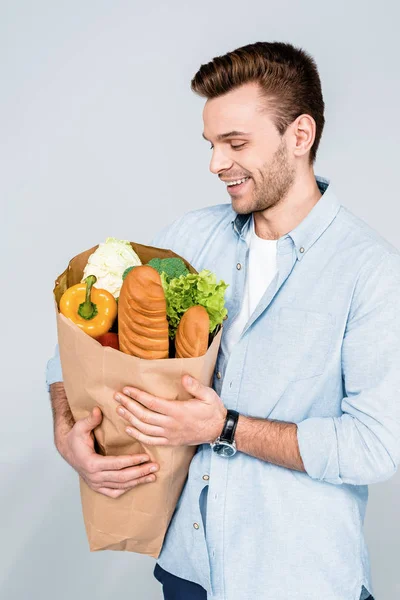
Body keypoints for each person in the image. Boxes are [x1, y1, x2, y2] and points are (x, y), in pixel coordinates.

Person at [45, 41, 400, 600]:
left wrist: (223, 428)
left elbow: (375, 445)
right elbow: (76, 352)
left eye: (236, 143)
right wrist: (68, 432)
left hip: (298, 580)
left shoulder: (370, 270)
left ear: (300, 136)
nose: (215, 164)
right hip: (190, 570)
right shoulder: (189, 237)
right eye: (211, 144)